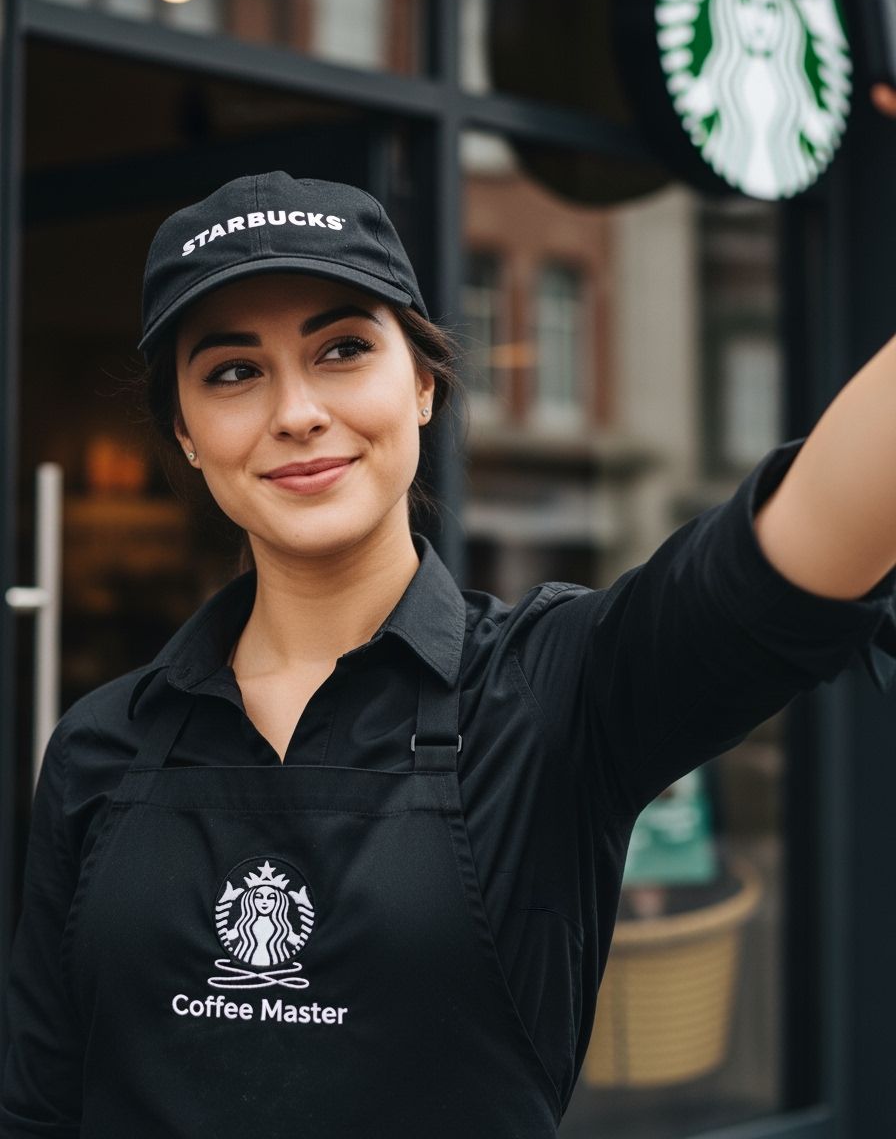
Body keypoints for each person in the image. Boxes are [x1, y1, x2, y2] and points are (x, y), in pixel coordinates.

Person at [3, 168, 896, 1139]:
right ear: (184, 429)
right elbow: (40, 1103)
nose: (295, 409)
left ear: (422, 383)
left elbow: (796, 546)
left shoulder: (551, 689)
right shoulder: (99, 743)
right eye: (231, 370)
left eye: (341, 349)